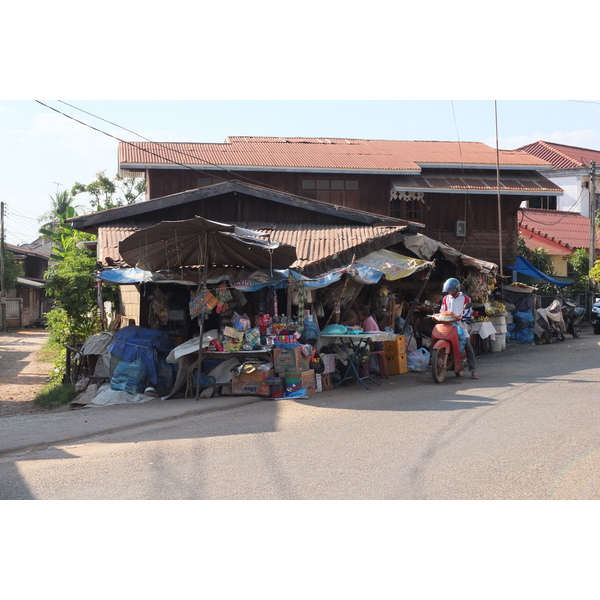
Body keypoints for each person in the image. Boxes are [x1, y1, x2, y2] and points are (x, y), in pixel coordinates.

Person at [440, 277, 478, 379]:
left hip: (461, 326)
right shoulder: (445, 299)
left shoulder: (465, 298)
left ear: (456, 289)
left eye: (451, 290)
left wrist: (462, 317)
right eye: (448, 290)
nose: (449, 292)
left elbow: (468, 312)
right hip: (448, 325)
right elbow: (443, 310)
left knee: (468, 347)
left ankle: (473, 370)